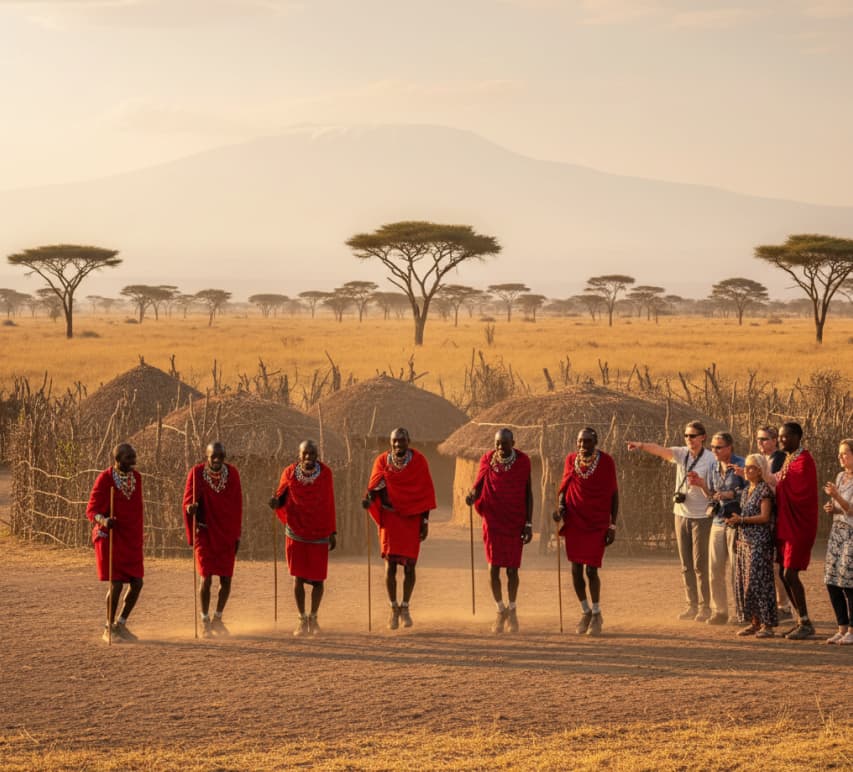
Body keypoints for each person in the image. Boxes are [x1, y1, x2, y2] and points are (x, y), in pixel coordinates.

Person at [627, 421, 715, 621]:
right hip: (681, 513)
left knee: (700, 564)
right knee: (685, 564)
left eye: (693, 435)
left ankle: (705, 606)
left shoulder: (711, 459)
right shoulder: (681, 453)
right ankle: (691, 605)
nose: (689, 439)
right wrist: (640, 445)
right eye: (686, 435)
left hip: (701, 515)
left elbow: (715, 488)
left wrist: (700, 483)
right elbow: (660, 450)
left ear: (703, 437)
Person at [362, 427, 436, 630]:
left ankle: (405, 608)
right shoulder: (382, 462)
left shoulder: (419, 462)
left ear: (408, 441)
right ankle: (393, 609)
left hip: (411, 519)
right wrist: (369, 499)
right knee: (390, 565)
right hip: (390, 518)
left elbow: (425, 494)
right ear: (390, 442)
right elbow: (373, 488)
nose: (397, 445)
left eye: (401, 441)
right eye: (394, 441)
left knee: (410, 566)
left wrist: (425, 522)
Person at [465, 428, 533, 633]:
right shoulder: (487, 460)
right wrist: (472, 496)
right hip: (493, 520)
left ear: (513, 442)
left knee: (512, 570)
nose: (500, 448)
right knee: (493, 568)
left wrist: (529, 523)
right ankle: (499, 610)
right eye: (497, 444)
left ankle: (512, 610)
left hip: (514, 521)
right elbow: (479, 485)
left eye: (504, 443)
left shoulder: (522, 462)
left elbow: (528, 494)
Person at [269, 440, 336, 636]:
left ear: (317, 455)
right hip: (296, 531)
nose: (308, 457)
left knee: (318, 580)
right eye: (305, 454)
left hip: (319, 531)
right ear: (299, 455)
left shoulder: (325, 474)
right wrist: (275, 501)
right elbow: (281, 494)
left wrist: (332, 532)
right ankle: (301, 619)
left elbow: (329, 503)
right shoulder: (289, 472)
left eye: (312, 453)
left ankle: (313, 618)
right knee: (297, 577)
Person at [556, 428, 619, 636]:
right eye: (580, 442)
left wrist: (612, 525)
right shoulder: (571, 459)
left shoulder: (606, 462)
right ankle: (585, 611)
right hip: (575, 522)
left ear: (596, 442)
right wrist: (560, 508)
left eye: (587, 442)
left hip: (596, 523)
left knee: (591, 570)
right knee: (575, 570)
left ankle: (597, 613)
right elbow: (565, 487)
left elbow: (613, 494)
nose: (583, 446)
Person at [86, 443, 144, 643]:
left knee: (137, 582)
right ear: (117, 460)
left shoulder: (136, 478)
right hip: (109, 537)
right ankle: (108, 627)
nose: (134, 462)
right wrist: (104, 520)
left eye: (134, 457)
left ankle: (121, 623)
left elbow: (136, 510)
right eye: (129, 458)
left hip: (130, 538)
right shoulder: (105, 478)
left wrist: (138, 533)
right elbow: (91, 510)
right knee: (117, 583)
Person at [184, 441, 243, 638]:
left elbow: (237, 505)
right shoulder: (196, 473)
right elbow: (187, 501)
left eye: (220, 456)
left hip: (226, 533)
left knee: (226, 578)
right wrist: (190, 509)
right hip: (205, 532)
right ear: (206, 456)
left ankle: (218, 618)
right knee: (206, 577)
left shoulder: (232, 474)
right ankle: (204, 620)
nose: (217, 460)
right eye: (213, 457)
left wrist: (237, 535)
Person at [688, 432, 744, 625]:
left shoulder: (741, 465)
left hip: (736, 522)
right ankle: (720, 611)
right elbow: (712, 495)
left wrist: (731, 494)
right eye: (712, 447)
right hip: (718, 520)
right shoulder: (713, 466)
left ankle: (740, 612)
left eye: (718, 447)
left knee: (737, 570)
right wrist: (702, 485)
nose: (714, 450)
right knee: (714, 569)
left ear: (729, 447)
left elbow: (751, 490)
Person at [774, 422, 819, 640]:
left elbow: (802, 492)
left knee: (789, 573)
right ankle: (801, 619)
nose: (782, 440)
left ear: (797, 437)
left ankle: (806, 622)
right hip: (786, 523)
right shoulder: (789, 459)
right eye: (780, 436)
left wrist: (780, 482)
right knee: (783, 572)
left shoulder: (804, 460)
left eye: (786, 436)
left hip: (800, 525)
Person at [728, 454, 777, 638]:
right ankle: (754, 622)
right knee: (747, 582)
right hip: (745, 542)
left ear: (760, 470)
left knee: (760, 583)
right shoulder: (748, 489)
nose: (747, 471)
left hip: (759, 543)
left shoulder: (764, 490)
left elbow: (765, 517)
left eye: (751, 468)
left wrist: (741, 520)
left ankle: (767, 625)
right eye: (746, 467)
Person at [754, 425, 793, 622]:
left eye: (764, 439)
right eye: (758, 439)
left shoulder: (780, 460)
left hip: (777, 516)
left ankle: (784, 606)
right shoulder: (763, 459)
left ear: (775, 440)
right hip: (765, 515)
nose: (760, 443)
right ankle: (777, 604)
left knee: (777, 563)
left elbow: (778, 486)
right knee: (769, 563)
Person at [822, 438, 853, 645]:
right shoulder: (841, 476)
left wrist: (837, 497)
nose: (840, 456)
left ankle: (852, 629)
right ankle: (841, 628)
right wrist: (831, 506)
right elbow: (841, 508)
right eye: (839, 453)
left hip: (851, 534)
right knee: (831, 580)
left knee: (848, 582)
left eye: (845, 453)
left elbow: (851, 509)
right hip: (837, 532)